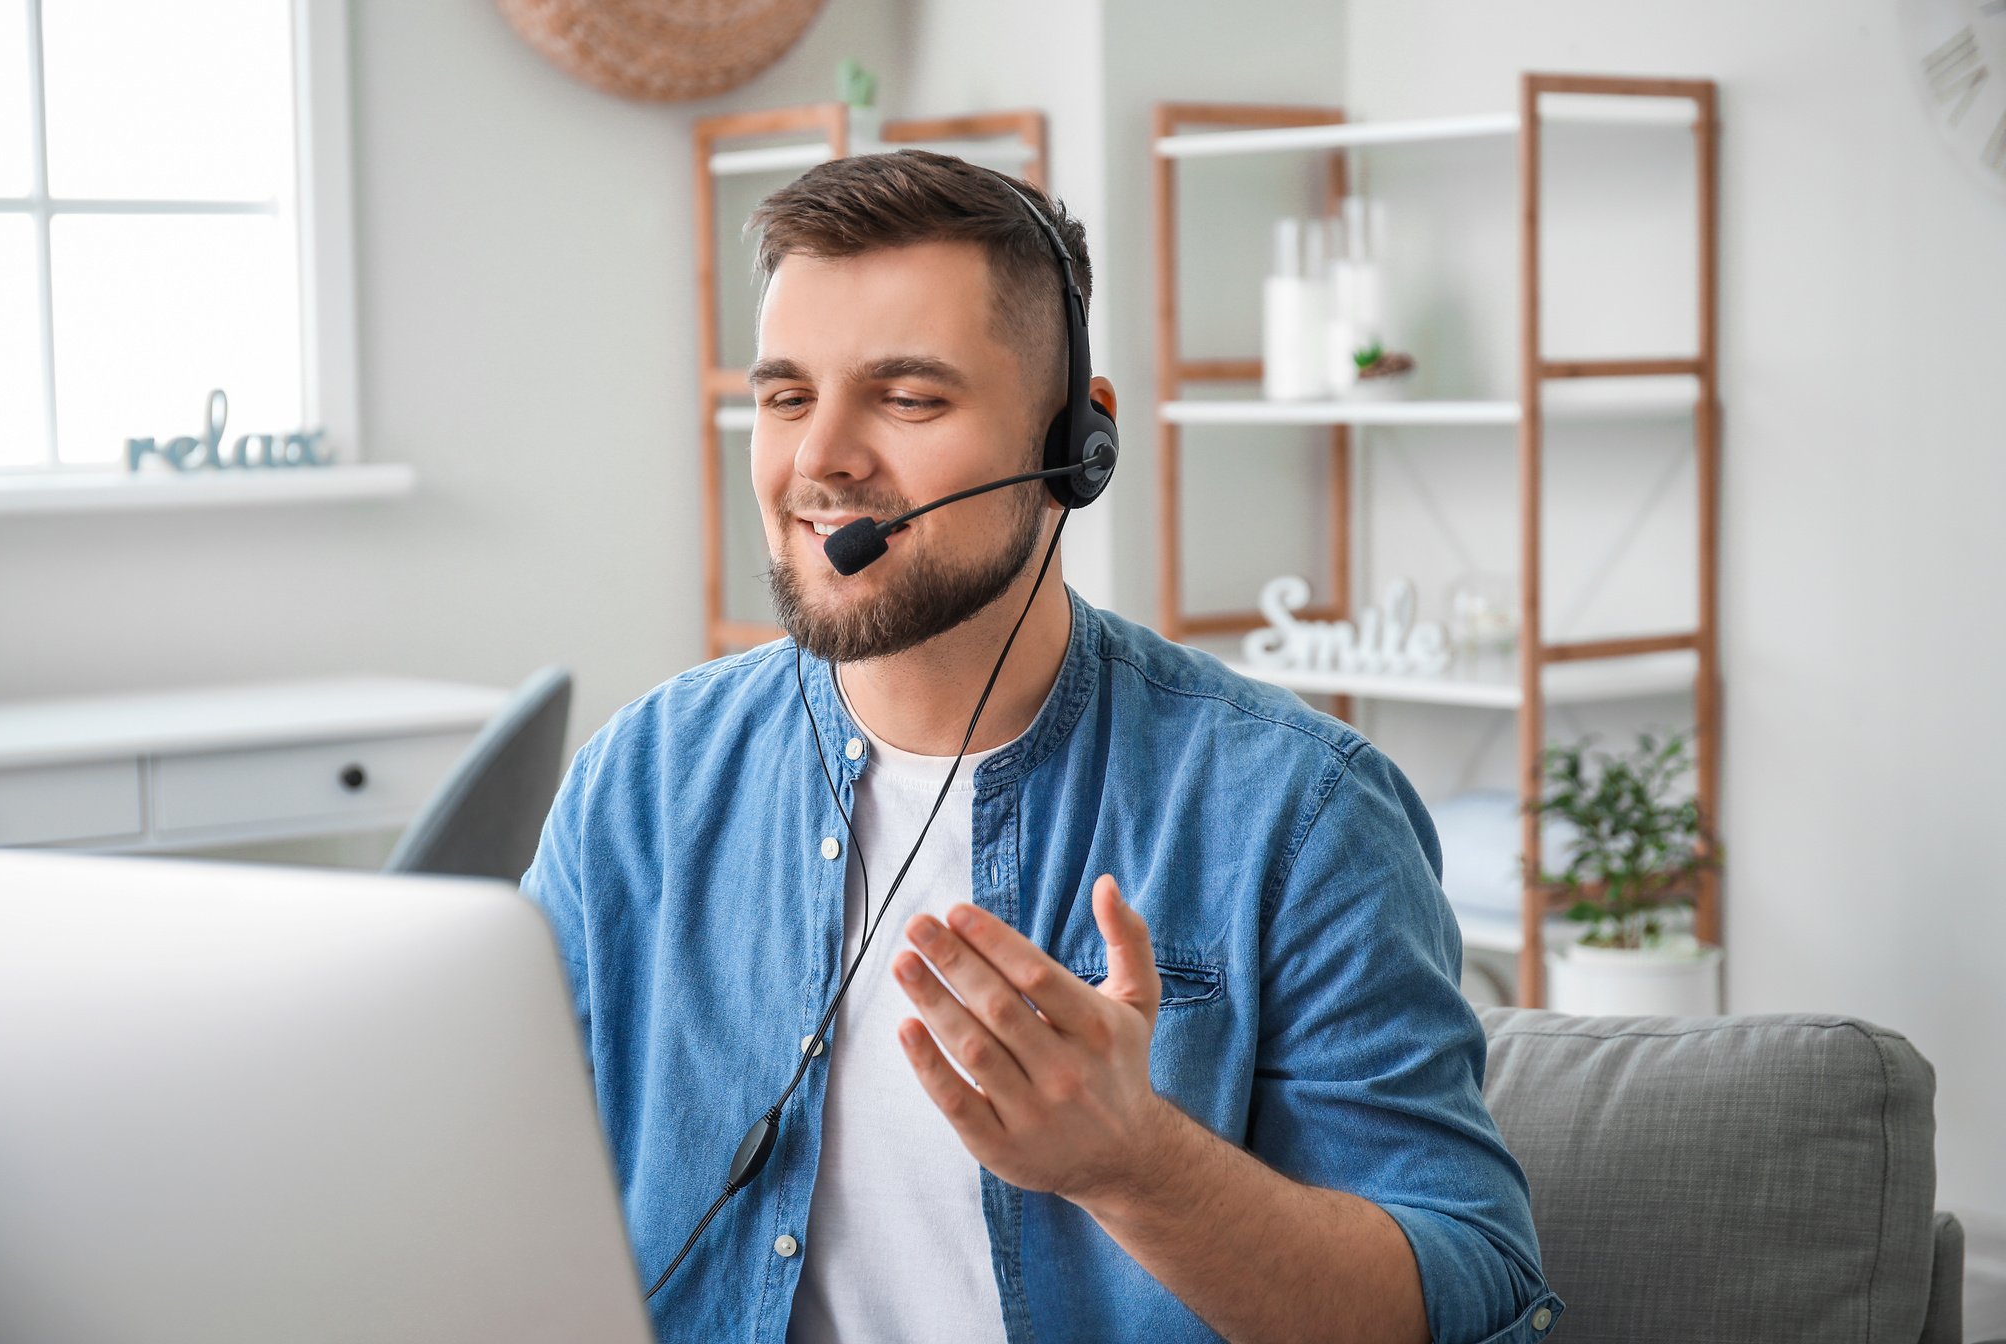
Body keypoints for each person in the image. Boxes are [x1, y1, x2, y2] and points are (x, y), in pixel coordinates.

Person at [521, 148, 1564, 1344]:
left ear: (1079, 445)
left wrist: (1137, 1166)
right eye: (787, 396)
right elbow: (495, 1188)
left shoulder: (1297, 813)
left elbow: (1476, 1293)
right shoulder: (641, 785)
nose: (819, 462)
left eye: (908, 399)